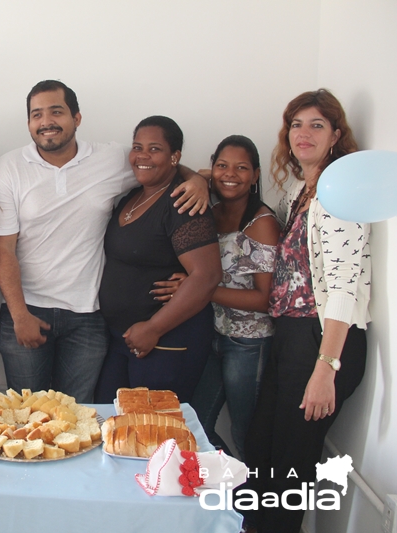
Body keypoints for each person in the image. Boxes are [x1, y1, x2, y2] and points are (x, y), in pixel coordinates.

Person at [0, 80, 210, 403]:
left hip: (88, 318)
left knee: (78, 418)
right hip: (27, 311)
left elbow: (157, 164)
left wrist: (197, 180)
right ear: (29, 124)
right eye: (37, 115)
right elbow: (3, 249)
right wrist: (19, 315)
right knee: (26, 415)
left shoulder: (111, 159)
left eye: (56, 111)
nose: (46, 121)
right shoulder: (9, 167)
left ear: (77, 118)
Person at [242, 89, 370, 533]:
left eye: (317, 124)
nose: (304, 133)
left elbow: (343, 289)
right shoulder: (301, 189)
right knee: (261, 456)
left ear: (336, 134)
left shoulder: (340, 195)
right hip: (292, 337)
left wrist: (325, 368)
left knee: (289, 471)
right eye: (296, 123)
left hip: (325, 342)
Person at [93, 116, 221, 404]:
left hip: (165, 341)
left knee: (156, 435)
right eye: (137, 147)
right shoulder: (132, 195)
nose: (143, 156)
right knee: (111, 423)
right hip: (122, 338)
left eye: (155, 149)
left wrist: (154, 328)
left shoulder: (184, 203)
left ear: (175, 156)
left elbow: (207, 275)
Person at [189, 135, 280, 461]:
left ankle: (253, 507)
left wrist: (197, 287)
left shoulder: (262, 224)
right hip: (214, 336)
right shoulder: (211, 210)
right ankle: (227, 487)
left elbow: (265, 299)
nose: (231, 174)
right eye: (222, 166)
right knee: (194, 424)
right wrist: (201, 179)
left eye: (242, 168)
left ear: (256, 175)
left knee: (246, 432)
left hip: (249, 343)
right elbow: (195, 173)